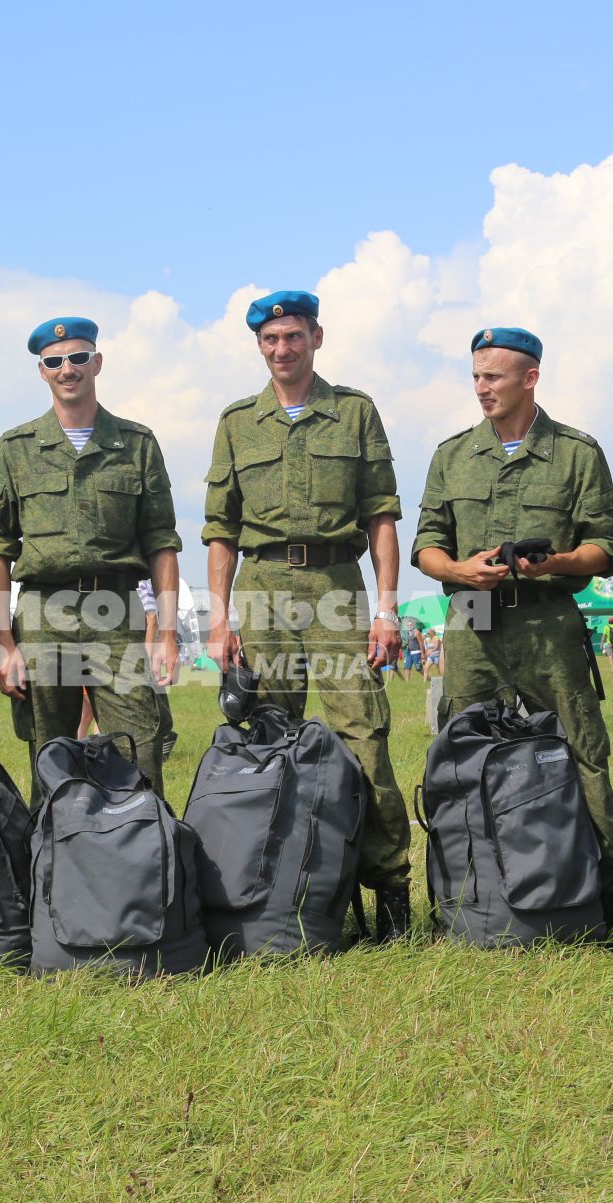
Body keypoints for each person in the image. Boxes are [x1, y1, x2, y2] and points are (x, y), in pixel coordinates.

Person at [203, 290, 414, 939]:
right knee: (268, 744)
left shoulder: (353, 412)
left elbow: (382, 514)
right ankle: (280, 892)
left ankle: (392, 891)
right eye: (270, 340)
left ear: (316, 338)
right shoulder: (237, 421)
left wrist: (385, 608)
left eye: (293, 336)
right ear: (259, 347)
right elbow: (220, 530)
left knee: (364, 737)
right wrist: (218, 618)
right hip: (261, 584)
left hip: (335, 582)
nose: (281, 349)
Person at [412, 326, 613, 927]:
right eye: (476, 377)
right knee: (462, 752)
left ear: (530, 377)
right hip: (472, 623)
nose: (481, 389)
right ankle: (465, 899)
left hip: (546, 624)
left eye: (493, 377)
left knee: (580, 749)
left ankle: (601, 897)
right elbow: (426, 546)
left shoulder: (575, 453)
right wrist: (458, 569)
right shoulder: (452, 454)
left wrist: (555, 563)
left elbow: (606, 548)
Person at [0, 317, 182, 802]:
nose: (66, 368)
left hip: (117, 612)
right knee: (49, 757)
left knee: (141, 751)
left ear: (97, 362)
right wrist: (4, 642)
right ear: (42, 372)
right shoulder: (16, 449)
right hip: (43, 614)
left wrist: (169, 635)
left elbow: (162, 543)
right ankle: (50, 869)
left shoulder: (137, 444)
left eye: (76, 358)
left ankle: (147, 864)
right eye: (54, 361)